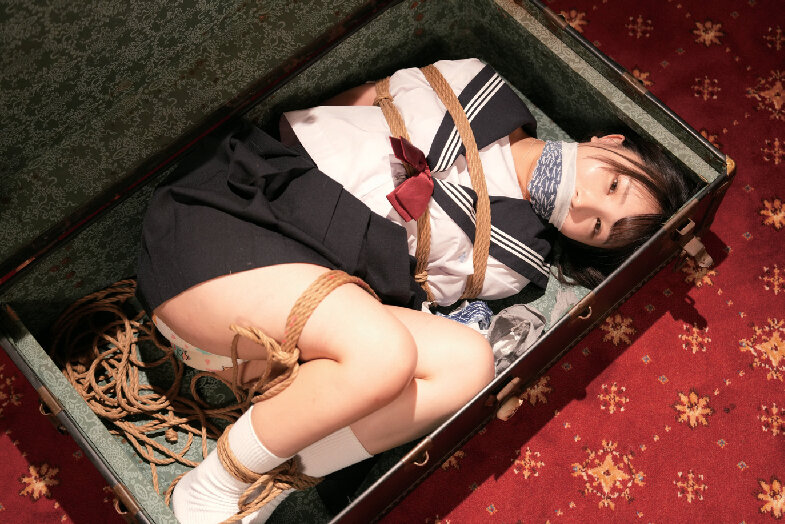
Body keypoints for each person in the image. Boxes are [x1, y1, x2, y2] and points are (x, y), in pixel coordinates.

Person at [135, 58, 690, 523]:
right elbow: (345, 104)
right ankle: (215, 484)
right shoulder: (476, 82)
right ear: (609, 141)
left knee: (469, 364)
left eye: (598, 228)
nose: (586, 203)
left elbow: (402, 295)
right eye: (612, 183)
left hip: (296, 309)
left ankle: (274, 477)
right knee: (384, 351)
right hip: (232, 219)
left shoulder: (514, 261)